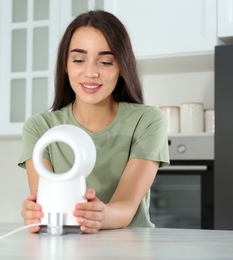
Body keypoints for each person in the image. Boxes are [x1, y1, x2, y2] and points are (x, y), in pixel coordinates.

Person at [18, 10, 169, 234]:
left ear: (121, 68)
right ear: (65, 65)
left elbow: (126, 207)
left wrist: (101, 215)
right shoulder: (40, 128)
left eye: (106, 62)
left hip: (131, 248)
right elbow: (47, 207)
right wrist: (36, 213)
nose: (91, 73)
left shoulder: (147, 121)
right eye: (79, 60)